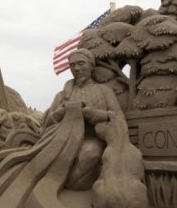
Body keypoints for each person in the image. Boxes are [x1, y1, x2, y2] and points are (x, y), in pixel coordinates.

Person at [44, 48, 124, 190]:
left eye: (81, 63)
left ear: (91, 65)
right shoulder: (62, 95)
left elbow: (117, 116)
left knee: (89, 153)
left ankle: (68, 184)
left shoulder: (103, 90)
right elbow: (48, 123)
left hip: (91, 138)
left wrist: (92, 113)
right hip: (62, 139)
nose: (76, 68)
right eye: (72, 65)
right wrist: (61, 112)